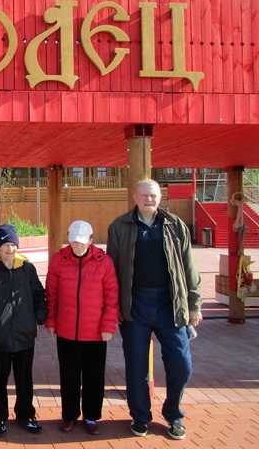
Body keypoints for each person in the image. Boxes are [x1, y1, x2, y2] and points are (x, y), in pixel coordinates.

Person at [107, 179, 202, 440]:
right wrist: (113, 307)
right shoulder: (119, 227)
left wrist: (194, 304)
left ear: (160, 198)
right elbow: (112, 271)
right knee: (136, 365)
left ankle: (174, 414)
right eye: (145, 195)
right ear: (135, 197)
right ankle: (140, 417)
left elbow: (189, 268)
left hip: (170, 305)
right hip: (135, 304)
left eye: (155, 195)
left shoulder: (175, 225)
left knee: (181, 363)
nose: (150, 199)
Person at [45, 220, 119, 436]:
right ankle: (69, 415)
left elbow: (111, 297)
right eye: (73, 242)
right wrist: (51, 320)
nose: (77, 246)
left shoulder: (104, 263)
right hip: (66, 331)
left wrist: (108, 326)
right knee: (68, 376)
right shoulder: (59, 260)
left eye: (81, 243)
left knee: (94, 377)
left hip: (95, 333)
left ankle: (91, 416)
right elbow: (52, 293)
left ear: (91, 240)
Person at [0, 224, 47, 437]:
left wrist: (39, 316)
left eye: (13, 244)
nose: (9, 249)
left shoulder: (27, 269)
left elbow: (38, 295)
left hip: (25, 335)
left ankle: (26, 414)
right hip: (0, 337)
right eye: (5, 244)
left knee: (25, 378)